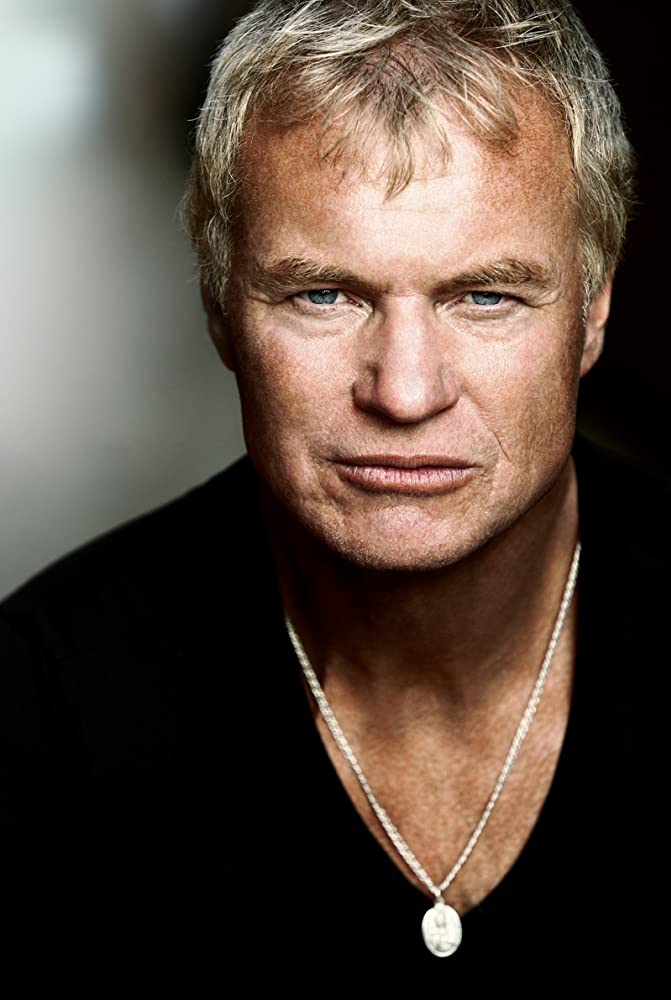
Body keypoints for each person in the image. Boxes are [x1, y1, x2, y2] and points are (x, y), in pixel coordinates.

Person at [0, 0, 667, 990]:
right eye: (323, 294)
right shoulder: (40, 714)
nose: (405, 391)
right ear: (219, 307)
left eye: (484, 295)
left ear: (592, 309)